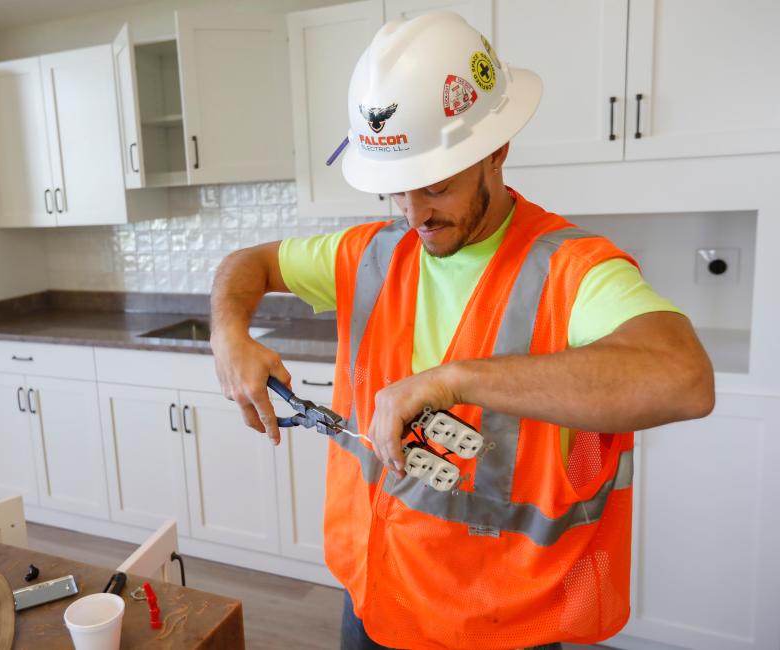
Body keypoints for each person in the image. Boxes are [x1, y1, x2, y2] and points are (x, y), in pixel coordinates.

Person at [210, 11, 714, 650]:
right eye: (396, 193)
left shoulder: (572, 270)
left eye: (436, 188)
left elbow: (686, 379)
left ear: (497, 149)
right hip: (373, 590)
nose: (414, 215)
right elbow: (243, 266)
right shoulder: (370, 252)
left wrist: (453, 380)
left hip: (498, 625)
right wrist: (229, 337)